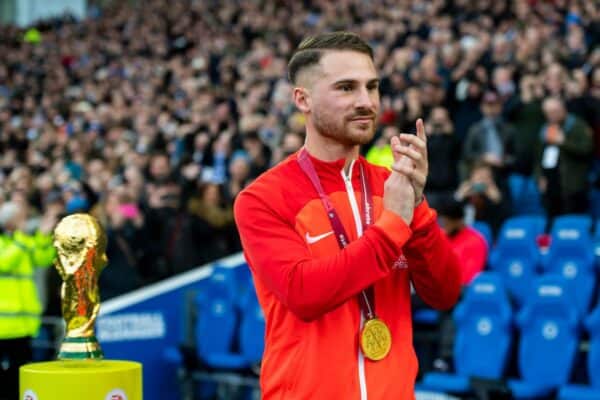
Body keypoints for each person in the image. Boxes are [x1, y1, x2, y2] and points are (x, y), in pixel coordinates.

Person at [234, 32, 461, 399]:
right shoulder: (262, 197)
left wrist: (416, 210)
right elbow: (304, 293)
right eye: (346, 88)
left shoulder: (394, 189)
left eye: (372, 87)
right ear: (302, 99)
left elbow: (445, 292)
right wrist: (393, 227)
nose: (365, 102)